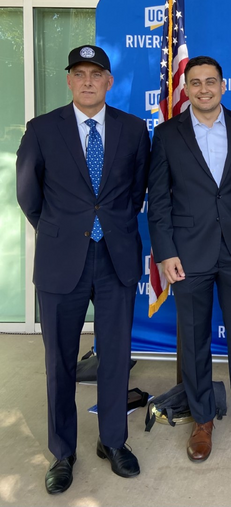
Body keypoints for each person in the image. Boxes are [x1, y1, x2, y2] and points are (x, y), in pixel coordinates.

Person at [16, 45, 150, 494]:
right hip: (60, 262)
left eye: (96, 73)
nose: (88, 81)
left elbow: (135, 193)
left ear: (109, 81)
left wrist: (105, 227)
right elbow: (28, 196)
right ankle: (63, 452)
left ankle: (113, 441)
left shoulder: (133, 130)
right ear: (69, 81)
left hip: (116, 258)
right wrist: (61, 231)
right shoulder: (41, 130)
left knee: (114, 358)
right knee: (59, 363)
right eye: (80, 73)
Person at [148, 55, 231, 463]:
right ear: (186, 88)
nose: (202, 89)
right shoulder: (166, 135)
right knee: (193, 338)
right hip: (187, 252)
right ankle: (201, 418)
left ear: (223, 85)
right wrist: (164, 252)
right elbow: (158, 200)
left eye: (210, 81)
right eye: (194, 83)